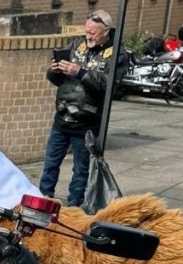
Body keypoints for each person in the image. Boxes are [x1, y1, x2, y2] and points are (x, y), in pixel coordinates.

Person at [39, 11, 127, 207]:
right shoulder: (76, 45)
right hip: (62, 117)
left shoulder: (117, 54)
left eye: (93, 33)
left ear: (106, 31)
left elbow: (109, 86)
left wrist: (80, 72)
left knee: (81, 170)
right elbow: (57, 80)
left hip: (87, 121)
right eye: (87, 31)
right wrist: (54, 71)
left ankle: (74, 206)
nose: (88, 36)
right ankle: (42, 201)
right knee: (50, 165)